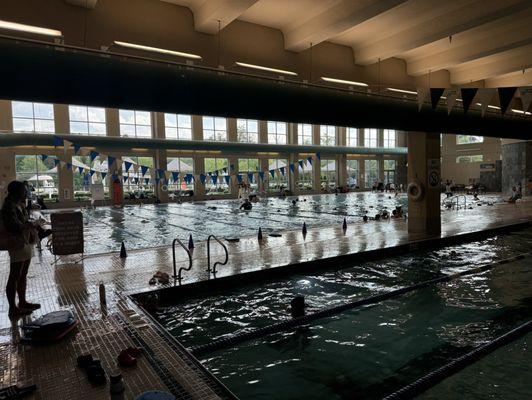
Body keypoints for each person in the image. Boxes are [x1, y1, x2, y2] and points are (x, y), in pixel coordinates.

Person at [1, 181, 41, 318]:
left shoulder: (18, 204)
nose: (26, 193)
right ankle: (13, 308)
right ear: (17, 191)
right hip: (16, 243)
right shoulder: (9, 206)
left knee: (23, 274)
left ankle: (22, 302)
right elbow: (12, 226)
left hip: (25, 241)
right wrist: (27, 224)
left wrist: (29, 221)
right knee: (15, 276)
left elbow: (21, 221)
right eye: (24, 190)